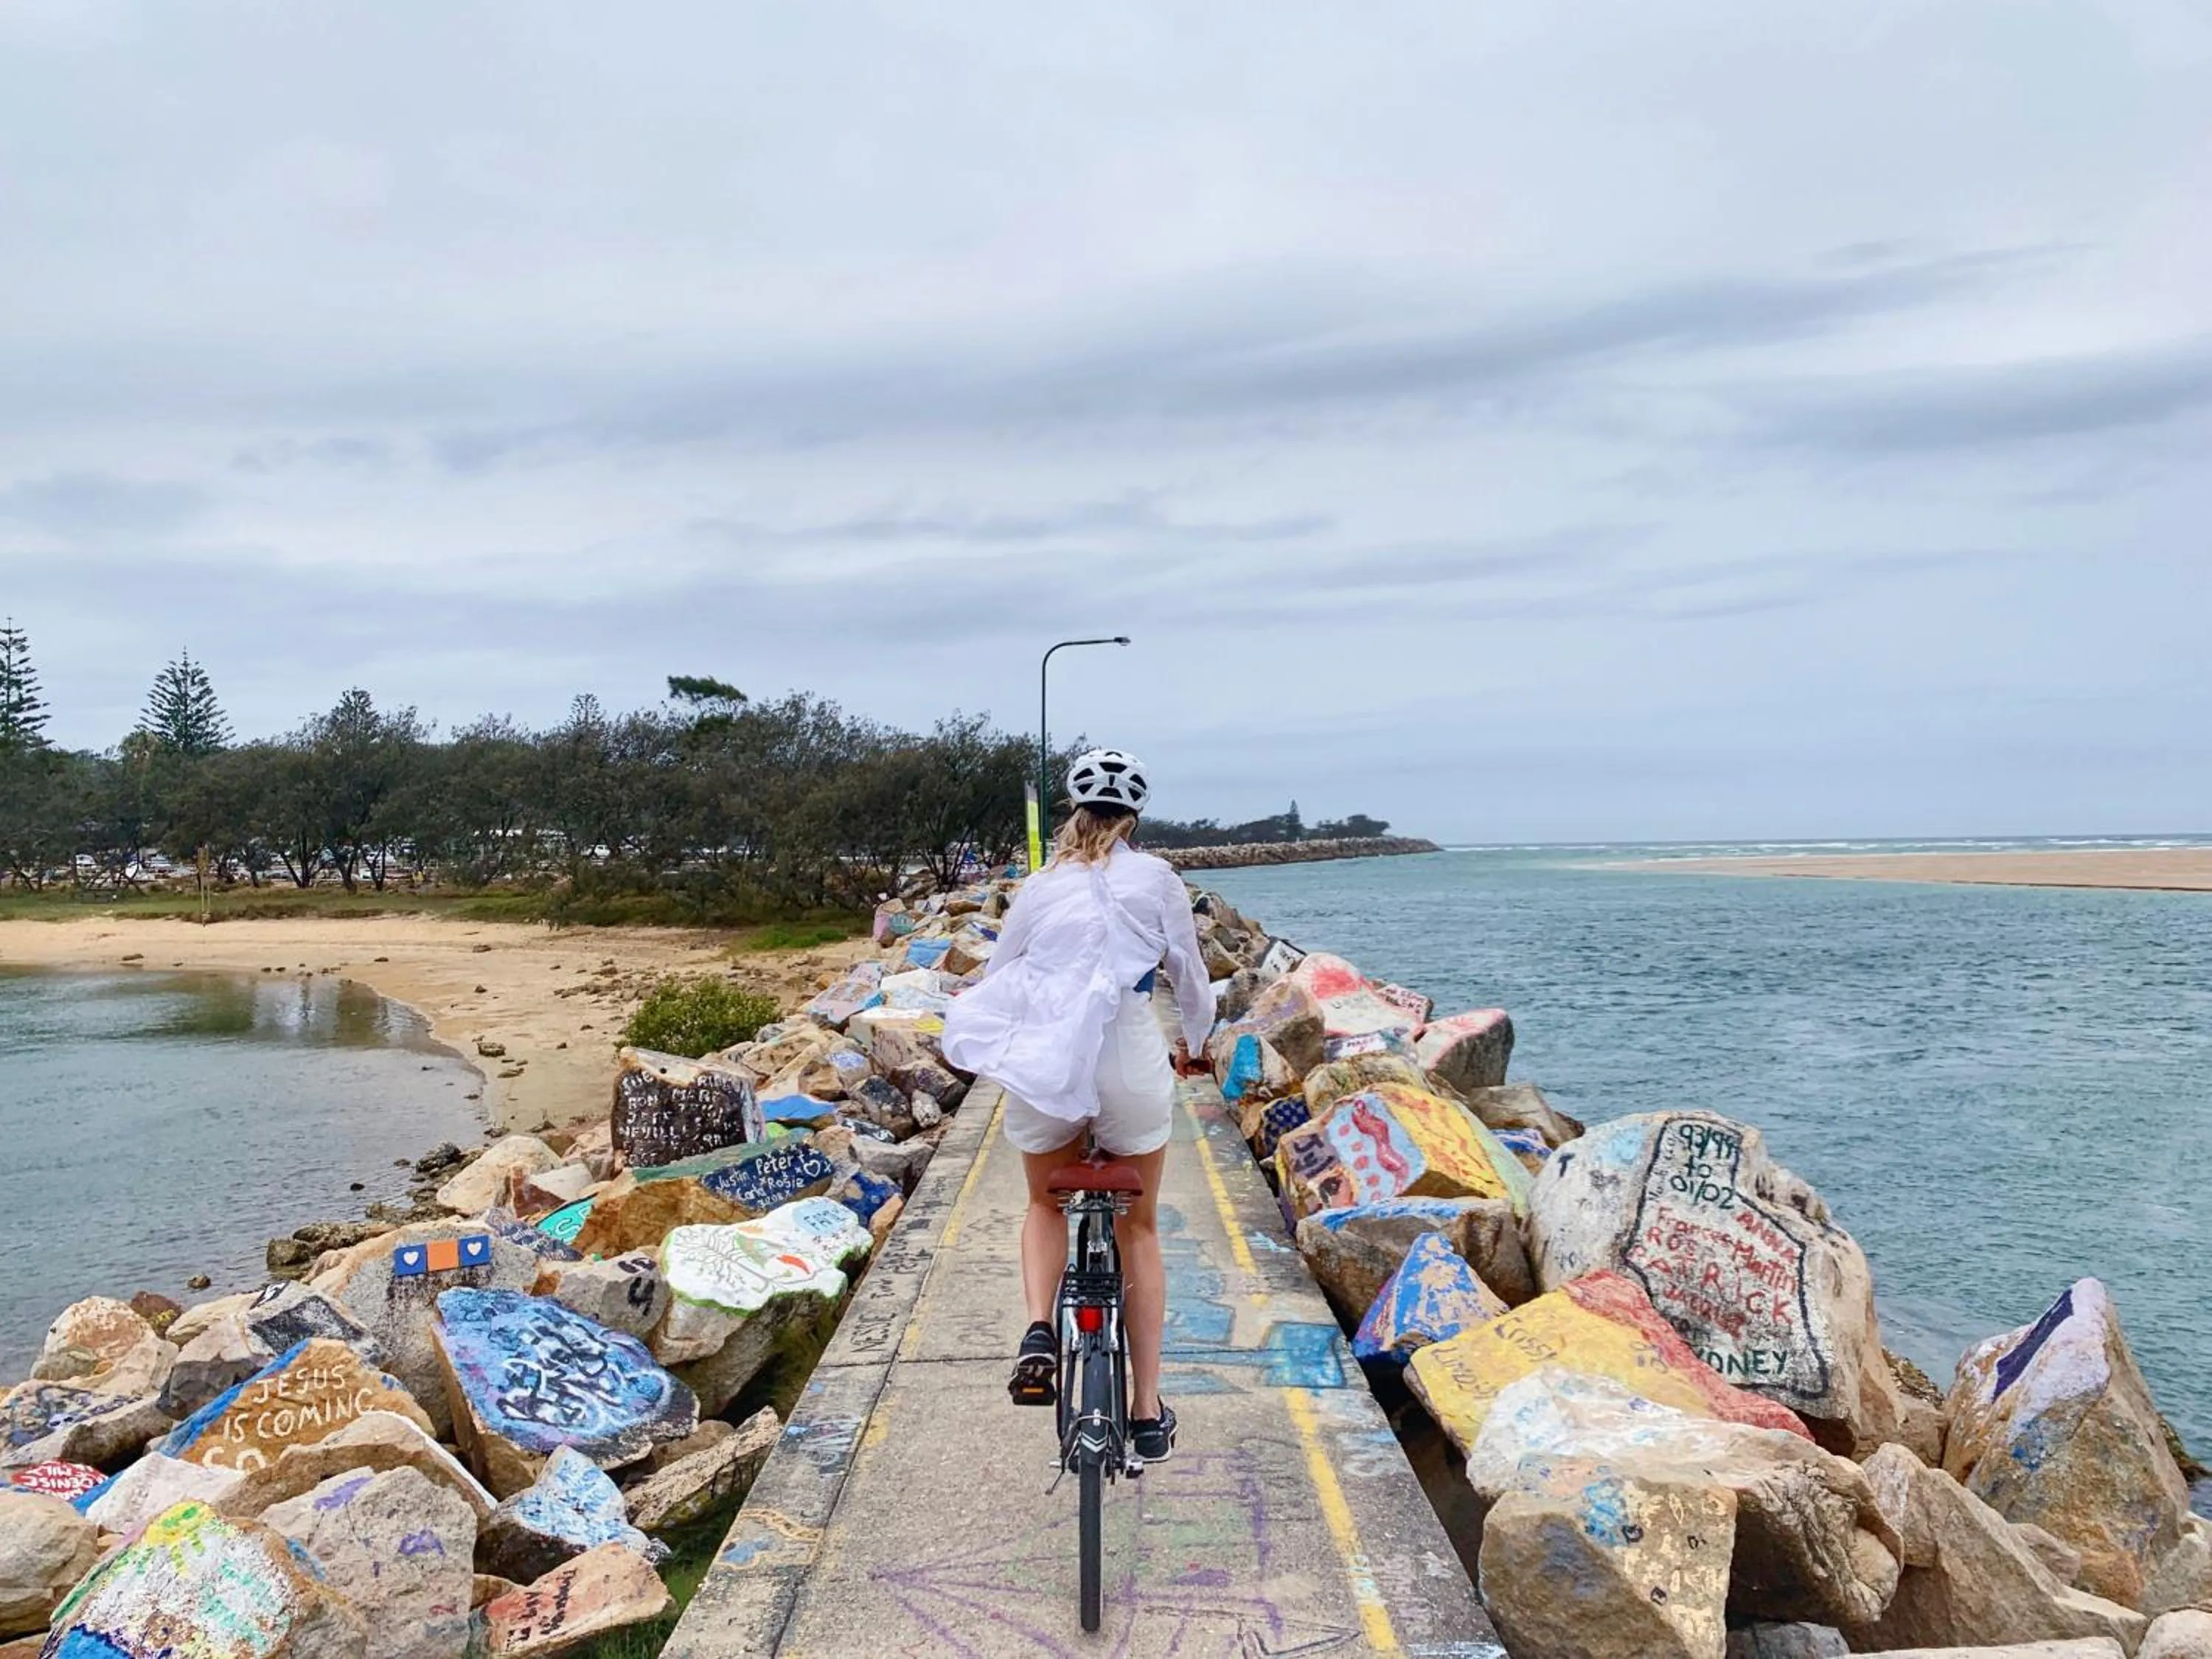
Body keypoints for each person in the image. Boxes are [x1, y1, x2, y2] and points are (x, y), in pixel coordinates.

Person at [939, 747, 1214, 1464]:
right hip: (1127, 1053)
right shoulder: (1158, 879)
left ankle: (1039, 1330)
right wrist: (1195, 1045)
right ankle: (1146, 1411)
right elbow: (1190, 979)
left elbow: (1003, 974)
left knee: (1042, 1204)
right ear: (1134, 817)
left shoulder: (1040, 886)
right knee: (1139, 1229)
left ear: (1074, 810)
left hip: (1050, 1061)